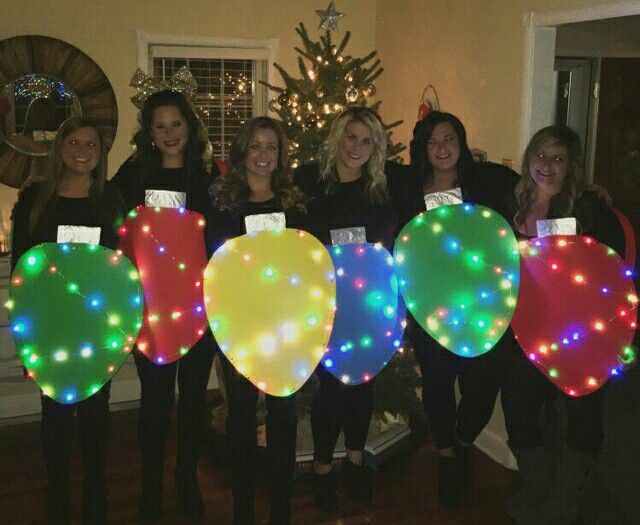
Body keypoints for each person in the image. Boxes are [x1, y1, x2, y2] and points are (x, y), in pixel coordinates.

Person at [501, 125, 625, 525]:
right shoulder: (512, 203)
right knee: (519, 402)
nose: (547, 166)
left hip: (581, 331)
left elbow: (613, 270)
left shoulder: (590, 209)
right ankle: (536, 482)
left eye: (557, 158)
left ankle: (572, 492)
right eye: (540, 156)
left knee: (583, 406)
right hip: (526, 326)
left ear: (571, 165)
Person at [110, 89, 219, 522]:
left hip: (199, 309)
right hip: (150, 313)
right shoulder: (133, 173)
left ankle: (186, 480)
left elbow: (223, 237)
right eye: (161, 125)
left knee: (193, 400)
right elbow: (109, 223)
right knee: (155, 402)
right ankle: (151, 486)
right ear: (149, 132)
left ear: (189, 127)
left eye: (177, 124)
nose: (170, 133)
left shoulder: (209, 176)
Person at [10, 116, 124, 524]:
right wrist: (28, 335)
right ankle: (57, 497)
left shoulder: (111, 202)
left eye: (90, 143)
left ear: (100, 153)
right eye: (73, 141)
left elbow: (118, 267)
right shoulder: (36, 200)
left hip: (96, 327)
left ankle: (96, 496)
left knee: (96, 415)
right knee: (54, 416)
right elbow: (21, 272)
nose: (81, 150)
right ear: (59, 148)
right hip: (50, 327)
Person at [406, 110, 519, 509]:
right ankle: (447, 457)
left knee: (482, 384)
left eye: (449, 138)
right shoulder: (407, 187)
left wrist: (587, 189)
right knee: (437, 385)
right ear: (423, 147)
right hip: (429, 308)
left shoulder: (486, 182)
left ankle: (465, 437)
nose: (442, 148)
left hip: (479, 306)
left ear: (462, 142)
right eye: (433, 141)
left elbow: (538, 188)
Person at [294, 105, 404, 513]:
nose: (357, 147)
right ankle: (323, 467)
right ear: (337, 137)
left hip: (371, 302)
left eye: (367, 140)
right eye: (351, 137)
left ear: (377, 148)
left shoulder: (385, 187)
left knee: (362, 383)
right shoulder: (307, 181)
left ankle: (355, 460)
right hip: (323, 299)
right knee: (330, 387)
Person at [208, 116, 305, 525]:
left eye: (271, 148)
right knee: (242, 415)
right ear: (243, 152)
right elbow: (216, 265)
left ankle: (281, 506)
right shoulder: (223, 204)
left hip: (286, 325)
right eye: (256, 147)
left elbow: (305, 264)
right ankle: (244, 506)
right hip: (240, 325)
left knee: (284, 415)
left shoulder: (293, 204)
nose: (263, 156)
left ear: (280, 155)